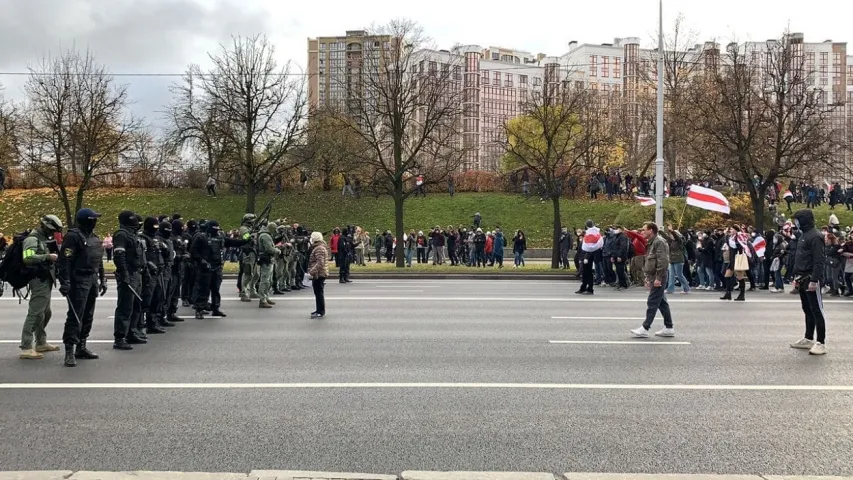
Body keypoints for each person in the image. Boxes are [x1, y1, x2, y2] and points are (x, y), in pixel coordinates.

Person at [56, 208, 107, 367]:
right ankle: (69, 351)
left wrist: (102, 279)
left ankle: (82, 346)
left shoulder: (94, 238)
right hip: (78, 280)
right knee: (75, 316)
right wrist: (65, 281)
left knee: (88, 315)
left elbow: (98, 260)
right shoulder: (73, 237)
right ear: (86, 220)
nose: (95, 222)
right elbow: (65, 261)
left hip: (92, 279)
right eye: (93, 219)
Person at [18, 215, 63, 360]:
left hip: (45, 279)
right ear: (44, 226)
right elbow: (27, 257)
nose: (53, 232)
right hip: (38, 280)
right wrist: (47, 257)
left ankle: (41, 342)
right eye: (51, 229)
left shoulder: (43, 238)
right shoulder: (32, 239)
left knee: (46, 312)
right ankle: (26, 346)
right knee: (35, 313)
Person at [191, 220, 248, 319]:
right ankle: (199, 309)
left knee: (216, 289)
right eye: (215, 229)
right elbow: (193, 251)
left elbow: (234, 242)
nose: (216, 231)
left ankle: (215, 308)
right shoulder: (201, 237)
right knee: (203, 289)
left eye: (217, 229)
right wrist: (201, 261)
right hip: (205, 267)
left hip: (217, 267)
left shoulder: (220, 238)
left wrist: (247, 239)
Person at [790, 209, 828, 355]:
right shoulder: (804, 235)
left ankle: (821, 342)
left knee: (817, 310)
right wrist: (795, 276)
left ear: (804, 220)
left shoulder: (815, 236)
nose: (795, 222)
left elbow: (819, 261)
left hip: (811, 278)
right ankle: (808, 338)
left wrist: (814, 280)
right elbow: (800, 257)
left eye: (797, 219)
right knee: (807, 309)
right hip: (802, 277)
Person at [631, 222, 675, 338]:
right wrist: (647, 278)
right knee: (662, 303)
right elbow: (649, 262)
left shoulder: (659, 242)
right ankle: (669, 327)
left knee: (652, 301)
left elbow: (663, 261)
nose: (642, 232)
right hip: (653, 276)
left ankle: (645, 328)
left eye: (644, 230)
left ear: (651, 230)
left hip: (658, 276)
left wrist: (658, 278)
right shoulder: (651, 242)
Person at [112, 211, 145, 350]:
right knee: (125, 307)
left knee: (136, 305)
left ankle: (132, 331)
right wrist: (124, 273)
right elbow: (119, 256)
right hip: (129, 274)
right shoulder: (122, 234)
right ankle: (120, 337)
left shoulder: (132, 234)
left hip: (136, 274)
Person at [238, 214, 259, 302]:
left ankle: (252, 291)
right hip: (247, 253)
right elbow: (245, 237)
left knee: (256, 274)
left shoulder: (251, 228)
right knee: (248, 273)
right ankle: (244, 292)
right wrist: (252, 234)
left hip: (253, 252)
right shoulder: (243, 228)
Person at [256, 222, 278, 308]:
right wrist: (277, 250)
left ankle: (266, 297)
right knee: (265, 280)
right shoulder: (265, 236)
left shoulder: (266, 235)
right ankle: (262, 299)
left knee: (269, 280)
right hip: (266, 259)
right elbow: (269, 249)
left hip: (269, 259)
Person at [307, 231, 329, 319]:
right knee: (318, 293)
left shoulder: (319, 248)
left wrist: (311, 271)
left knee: (319, 293)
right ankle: (318, 310)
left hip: (319, 274)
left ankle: (320, 311)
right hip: (319, 273)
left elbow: (320, 262)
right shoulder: (319, 247)